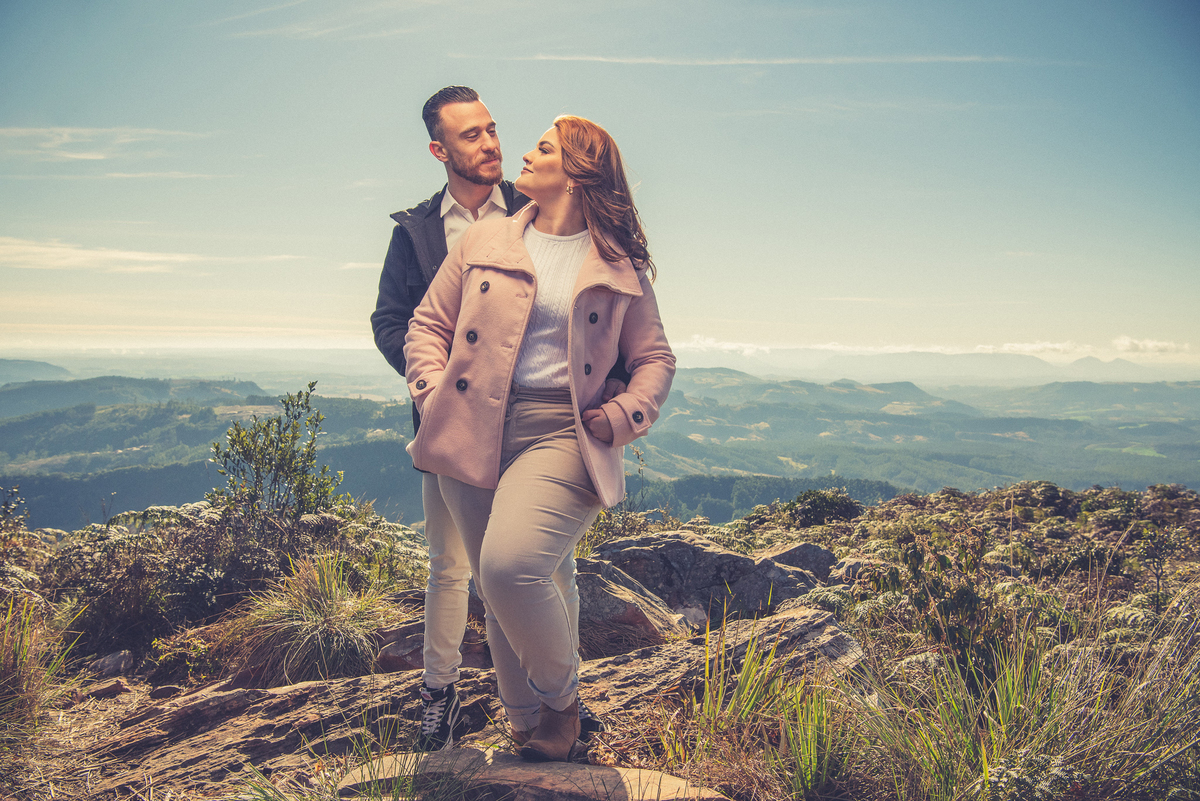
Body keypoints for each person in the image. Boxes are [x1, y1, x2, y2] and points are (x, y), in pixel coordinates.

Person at [403, 115, 675, 762]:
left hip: (564, 430)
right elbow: (426, 325)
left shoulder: (617, 263)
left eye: (544, 147)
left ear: (576, 175)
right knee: (495, 588)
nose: (524, 153)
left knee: (509, 566)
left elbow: (655, 358)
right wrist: (433, 393)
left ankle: (563, 705)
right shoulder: (486, 239)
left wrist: (624, 415)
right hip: (471, 426)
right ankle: (526, 722)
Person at [371, 87, 616, 751]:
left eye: (491, 129)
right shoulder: (417, 231)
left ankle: (559, 703)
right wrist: (436, 388)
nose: (490, 144)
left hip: (540, 426)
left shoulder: (540, 207)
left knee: (546, 565)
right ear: (439, 150)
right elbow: (394, 320)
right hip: (453, 423)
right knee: (452, 564)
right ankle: (440, 695)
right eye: (470, 135)